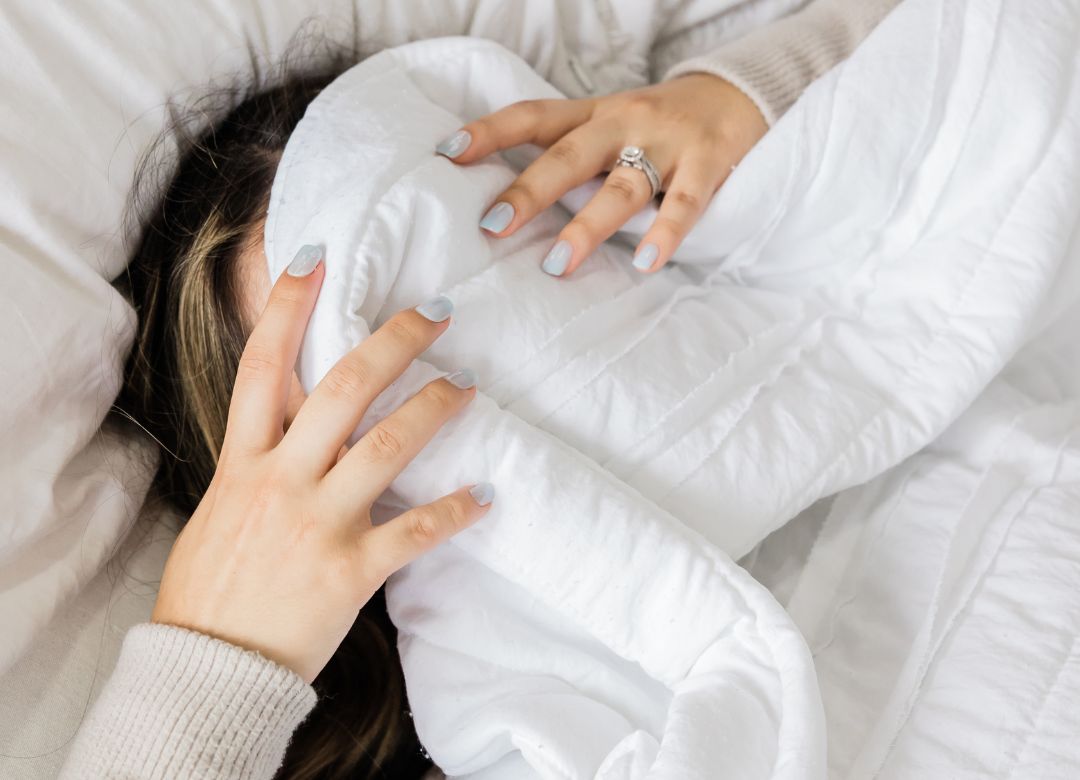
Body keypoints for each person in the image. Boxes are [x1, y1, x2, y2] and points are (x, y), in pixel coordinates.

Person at [62, 1, 899, 777]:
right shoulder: (494, 726)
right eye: (363, 378)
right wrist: (215, 674)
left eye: (495, 251)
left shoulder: (794, 298)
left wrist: (747, 97)